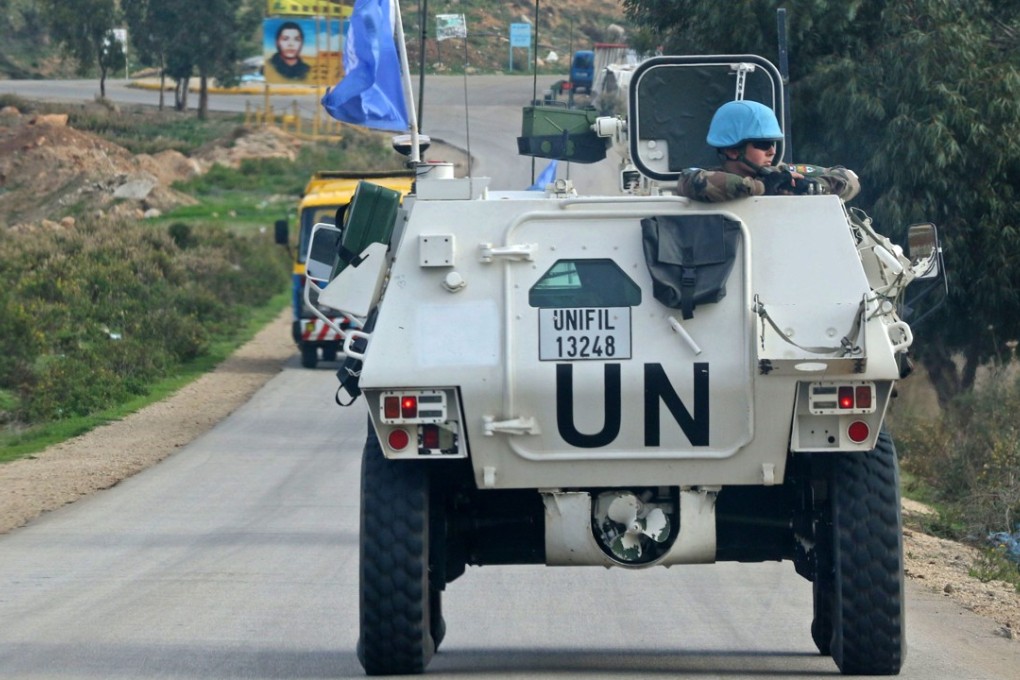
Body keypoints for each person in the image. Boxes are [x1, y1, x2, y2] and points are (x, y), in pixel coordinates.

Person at [676, 100, 859, 203]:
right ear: (732, 151)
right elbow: (692, 181)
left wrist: (812, 186)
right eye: (762, 144)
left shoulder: (784, 173)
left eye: (772, 143)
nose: (771, 151)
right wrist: (764, 187)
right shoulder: (708, 179)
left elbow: (848, 177)